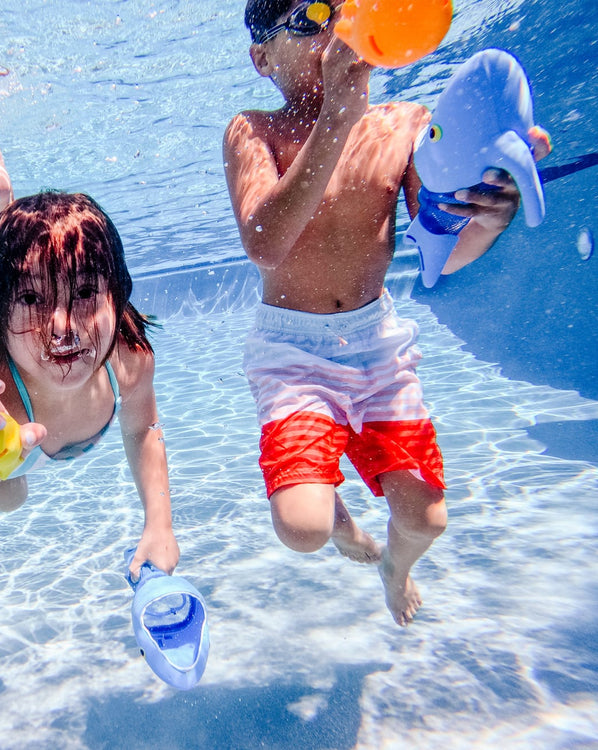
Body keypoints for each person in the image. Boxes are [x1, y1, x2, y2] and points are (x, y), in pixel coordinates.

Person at [223, 0, 551, 626]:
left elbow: (442, 252)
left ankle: (394, 568)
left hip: (376, 343)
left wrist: (489, 216)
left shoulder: (405, 123)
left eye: (340, 13)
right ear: (261, 57)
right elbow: (265, 242)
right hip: (293, 353)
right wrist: (336, 121)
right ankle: (338, 515)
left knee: (427, 515)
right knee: (303, 527)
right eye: (306, 17)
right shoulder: (251, 130)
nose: (330, 32)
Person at [0, 120, 178, 588]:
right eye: (33, 299)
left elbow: (143, 431)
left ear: (117, 295)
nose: (63, 328)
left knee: (9, 483)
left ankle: (5, 212)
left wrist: (160, 523)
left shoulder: (128, 359)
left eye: (85, 292)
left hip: (15, 349)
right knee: (3, 492)